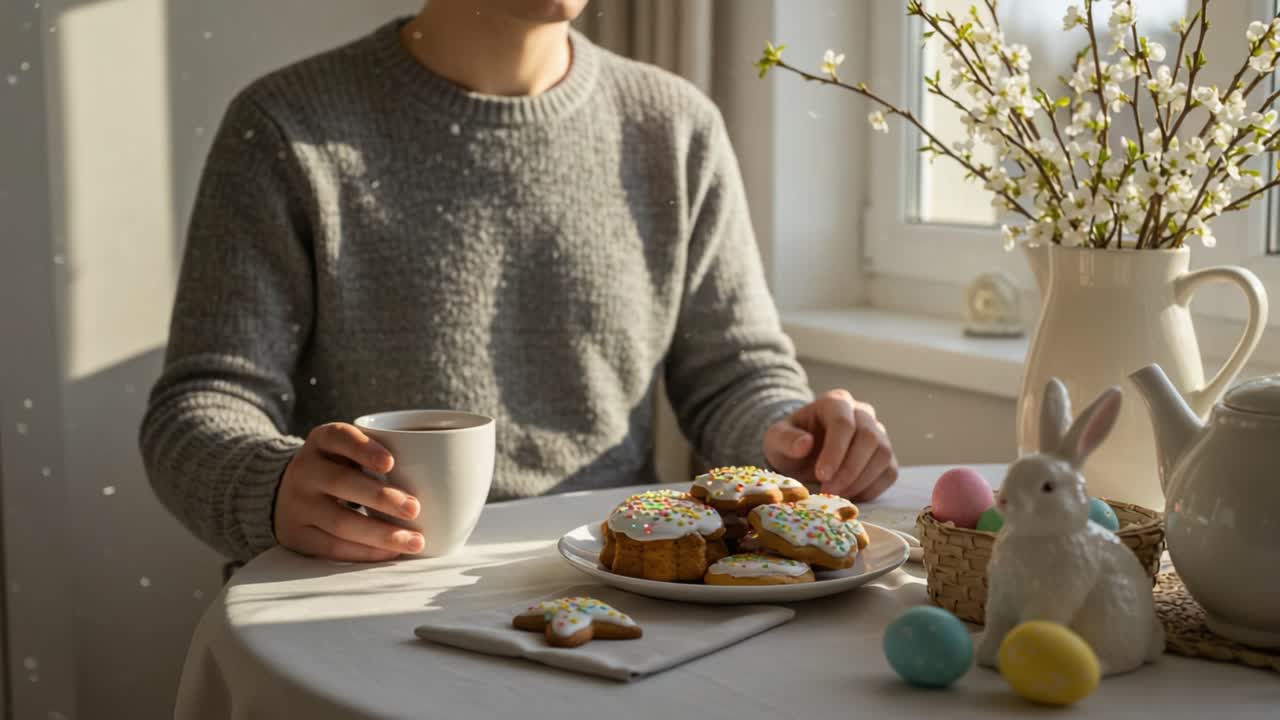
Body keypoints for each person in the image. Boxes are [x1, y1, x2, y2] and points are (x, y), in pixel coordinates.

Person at [140, 0, 898, 564]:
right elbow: (201, 406)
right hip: (367, 591)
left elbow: (733, 374)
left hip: (616, 580)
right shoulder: (284, 128)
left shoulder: (676, 127)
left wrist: (790, 441)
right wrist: (270, 486)